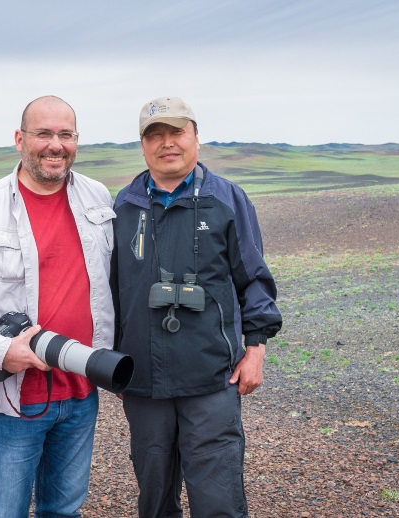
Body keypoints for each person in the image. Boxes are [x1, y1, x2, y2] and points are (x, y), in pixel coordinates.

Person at [0, 95, 116, 518]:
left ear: (77, 140)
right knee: (6, 512)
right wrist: (1, 350)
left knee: (64, 510)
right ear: (20, 139)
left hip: (81, 390)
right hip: (13, 402)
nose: (56, 145)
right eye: (43, 134)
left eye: (66, 134)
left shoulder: (97, 198)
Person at [110, 97, 282, 517]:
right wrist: (111, 360)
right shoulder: (124, 206)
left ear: (196, 137)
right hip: (144, 379)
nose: (167, 143)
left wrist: (256, 349)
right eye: (155, 135)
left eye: (177, 132)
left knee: (217, 498)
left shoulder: (227, 199)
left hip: (212, 377)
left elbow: (253, 278)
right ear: (143, 146)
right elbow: (109, 291)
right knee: (154, 497)